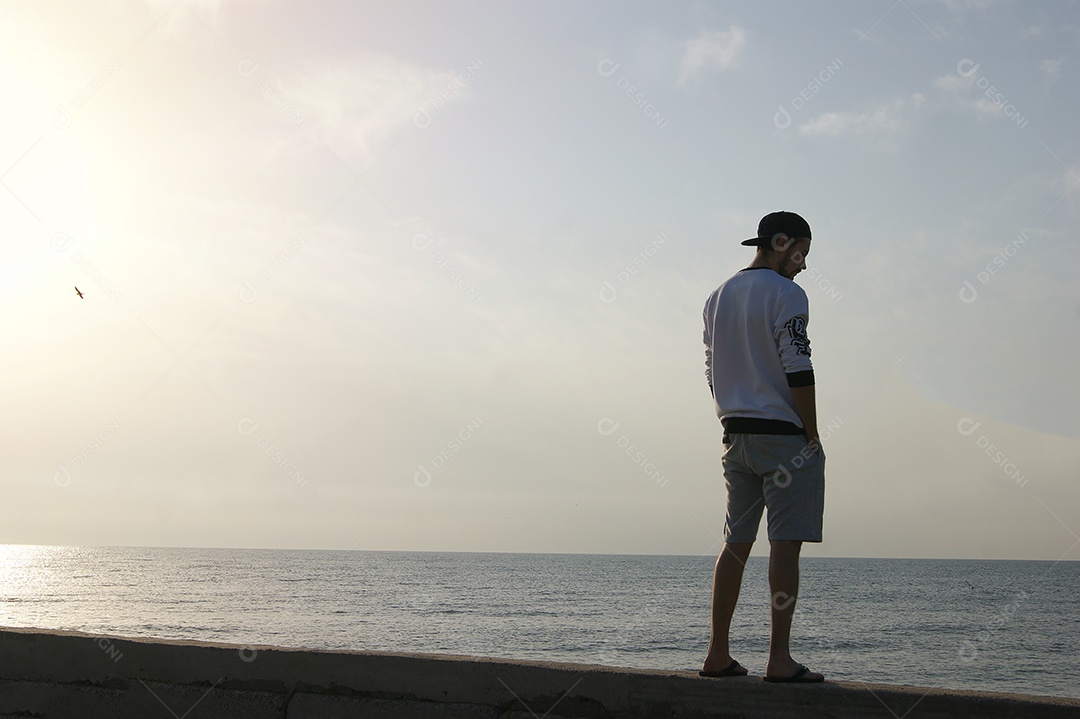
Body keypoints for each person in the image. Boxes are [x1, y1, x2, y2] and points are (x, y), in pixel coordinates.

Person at [699, 211, 825, 683]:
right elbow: (798, 365)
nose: (803, 265)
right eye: (801, 253)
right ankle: (779, 659)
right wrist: (812, 433)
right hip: (783, 436)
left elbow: (711, 369)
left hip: (734, 433)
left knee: (735, 544)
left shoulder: (717, 296)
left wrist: (732, 409)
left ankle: (717, 654)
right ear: (781, 242)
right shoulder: (787, 294)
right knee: (784, 546)